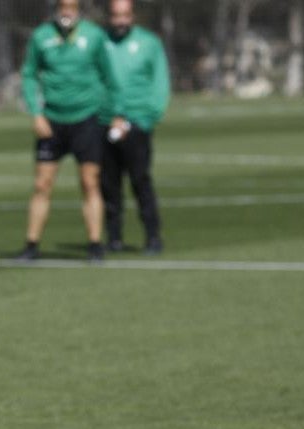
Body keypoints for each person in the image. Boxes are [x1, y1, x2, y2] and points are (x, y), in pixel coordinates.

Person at [17, 0, 128, 262]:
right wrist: (35, 112)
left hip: (86, 119)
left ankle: (95, 244)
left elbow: (110, 76)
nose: (67, 11)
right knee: (42, 184)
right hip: (51, 120)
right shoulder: (41, 36)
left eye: (72, 6)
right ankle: (31, 244)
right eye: (63, 6)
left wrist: (117, 113)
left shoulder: (94, 36)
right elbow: (29, 73)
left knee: (90, 182)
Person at [100, 0, 170, 254]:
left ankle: (153, 236)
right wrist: (107, 116)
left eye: (125, 15)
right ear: (109, 16)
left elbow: (160, 84)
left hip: (138, 124)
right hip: (105, 123)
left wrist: (146, 119)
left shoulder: (149, 43)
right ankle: (114, 237)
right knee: (108, 184)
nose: (121, 21)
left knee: (140, 181)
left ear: (133, 16)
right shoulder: (100, 42)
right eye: (116, 15)